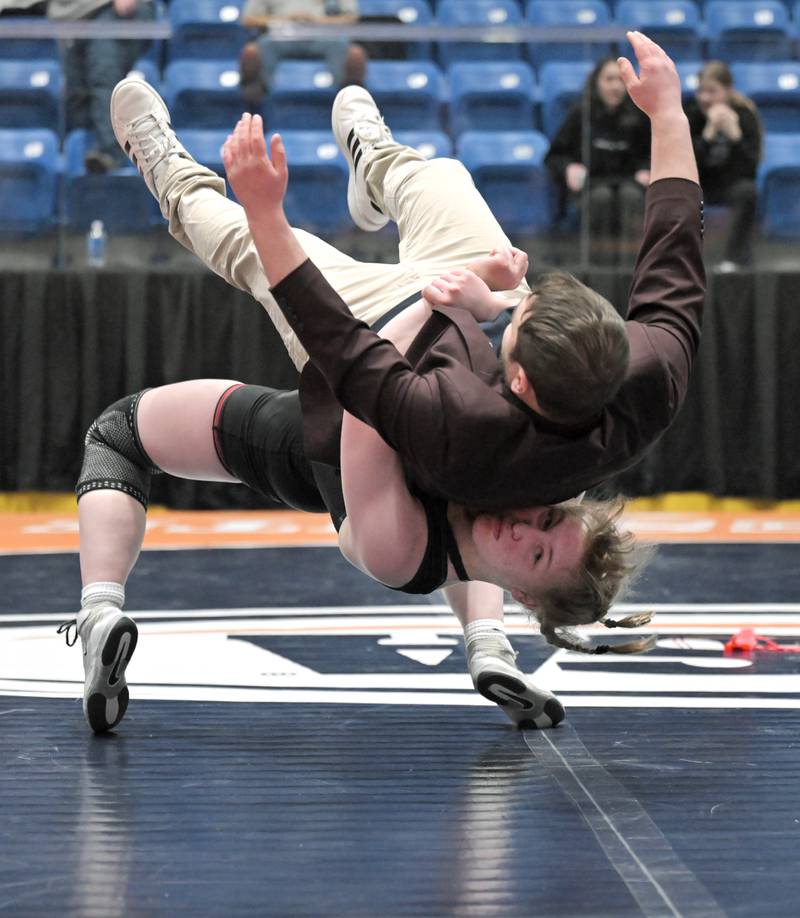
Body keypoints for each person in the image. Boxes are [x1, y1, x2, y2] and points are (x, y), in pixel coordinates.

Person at [544, 56, 651, 266]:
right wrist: (568, 168)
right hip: (592, 186)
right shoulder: (581, 113)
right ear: (596, 83)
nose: (615, 86)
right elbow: (554, 156)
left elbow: (650, 154)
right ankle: (598, 273)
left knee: (630, 197)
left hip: (628, 186)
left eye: (620, 80)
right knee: (601, 198)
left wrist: (647, 169)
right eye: (609, 79)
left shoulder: (638, 115)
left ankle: (632, 273)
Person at [48, 0, 154, 173]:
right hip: (76, 13)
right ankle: (82, 164)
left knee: (103, 76)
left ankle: (111, 153)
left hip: (114, 10)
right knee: (78, 95)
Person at [685, 60, 762, 270]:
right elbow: (685, 163)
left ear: (728, 91)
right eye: (701, 91)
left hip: (730, 184)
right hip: (701, 184)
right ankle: (685, 258)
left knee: (748, 192)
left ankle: (734, 259)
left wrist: (735, 136)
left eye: (712, 91)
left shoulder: (745, 115)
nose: (705, 98)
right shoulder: (691, 115)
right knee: (681, 193)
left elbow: (751, 167)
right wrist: (708, 134)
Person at [239, 0, 367, 108]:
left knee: (352, 53)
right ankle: (256, 105)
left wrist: (317, 21)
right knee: (253, 52)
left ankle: (348, 100)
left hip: (323, 34)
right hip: (280, 35)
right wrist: (283, 20)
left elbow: (351, 18)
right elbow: (249, 19)